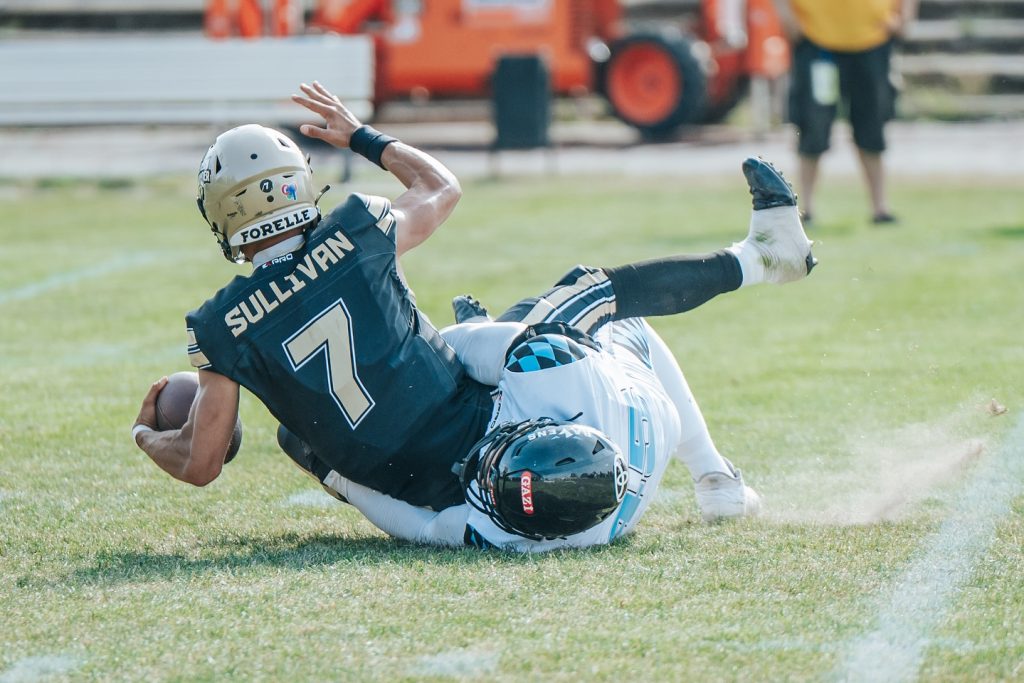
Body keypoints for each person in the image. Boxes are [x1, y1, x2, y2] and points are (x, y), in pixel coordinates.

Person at [132, 81, 815, 521]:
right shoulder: (357, 229)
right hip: (493, 434)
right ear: (298, 183)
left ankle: (716, 478)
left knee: (295, 431)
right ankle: (763, 260)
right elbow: (441, 186)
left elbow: (200, 462)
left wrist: (148, 437)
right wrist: (362, 136)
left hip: (430, 499)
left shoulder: (217, 326)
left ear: (221, 214)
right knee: (589, 297)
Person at [278, 160, 818, 551]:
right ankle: (762, 261)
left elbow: (421, 526)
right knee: (606, 306)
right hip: (624, 393)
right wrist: (336, 472)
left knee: (555, 313)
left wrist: (336, 471)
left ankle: (717, 476)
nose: (476, 473)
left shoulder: (499, 529)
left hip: (629, 437)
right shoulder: (562, 375)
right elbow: (423, 523)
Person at [772, 0, 918, 225]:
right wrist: (787, 16)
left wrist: (905, 15)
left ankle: (880, 208)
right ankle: (805, 209)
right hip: (816, 39)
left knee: (872, 124)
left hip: (873, 37)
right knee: (813, 124)